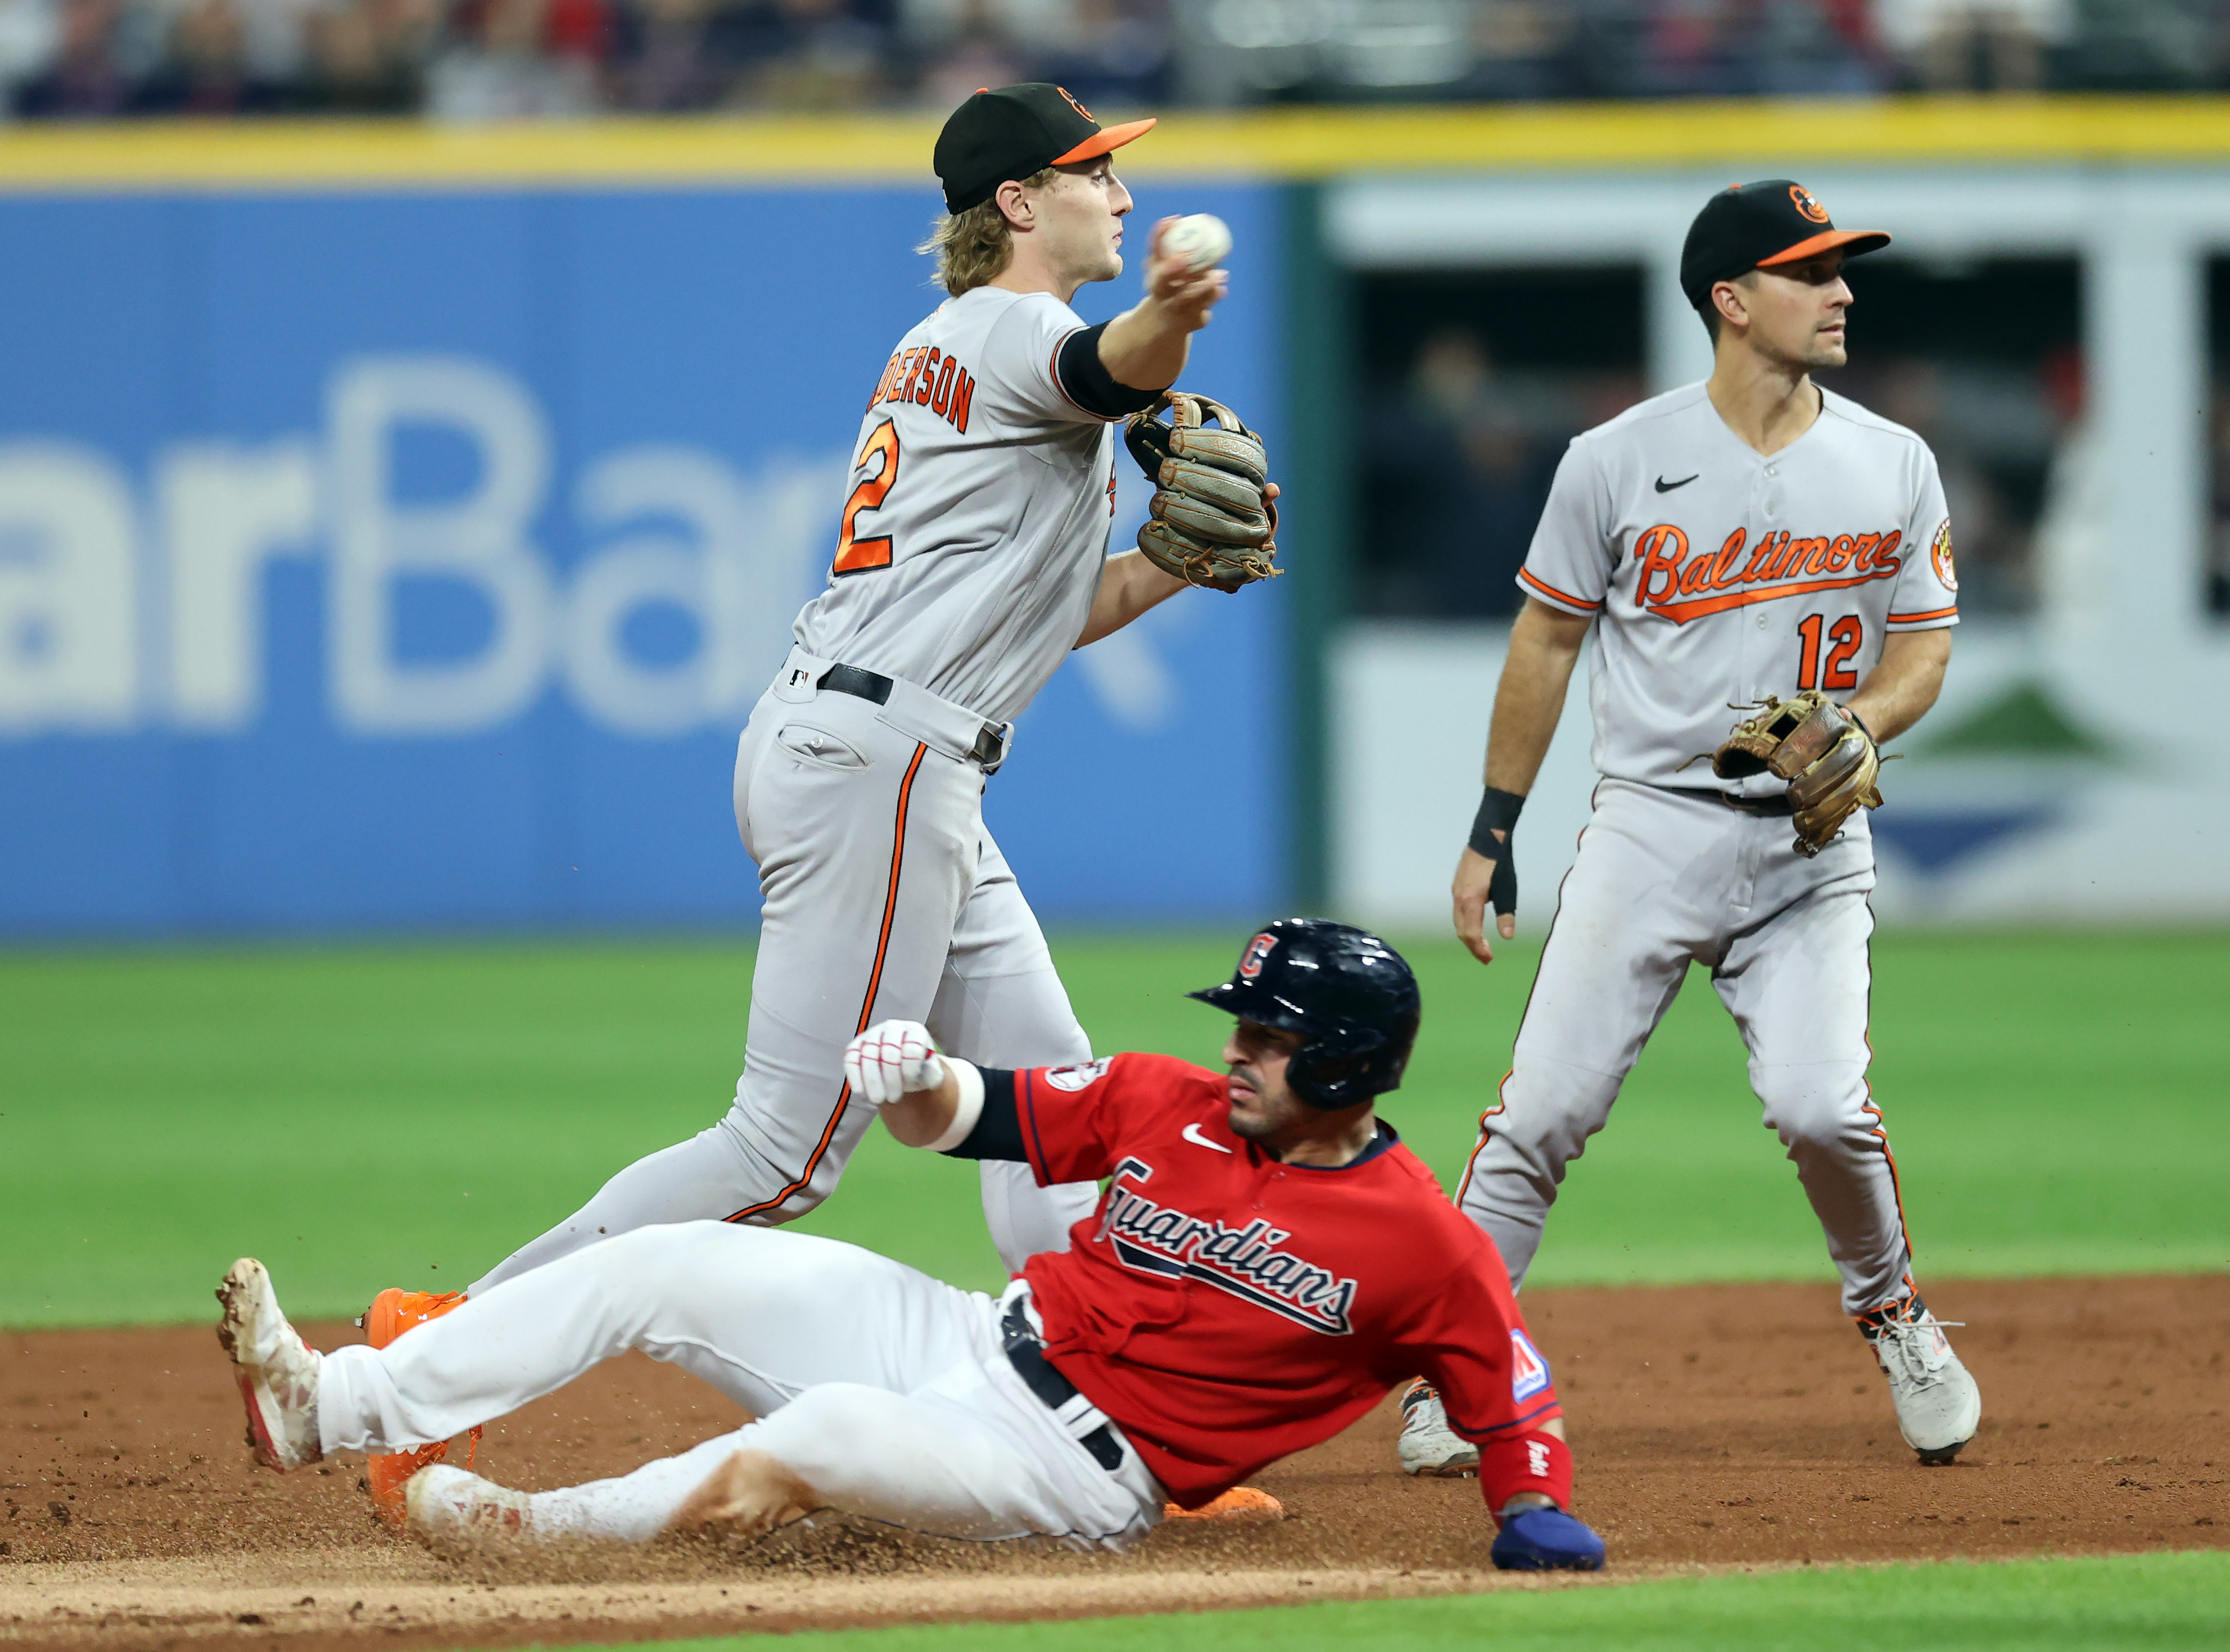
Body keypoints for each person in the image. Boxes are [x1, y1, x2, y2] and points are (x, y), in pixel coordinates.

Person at [355, 83, 1269, 1517]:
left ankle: (1104, 1405)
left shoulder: (950, 346)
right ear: (1019, 205)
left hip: (887, 752)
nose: (1125, 196)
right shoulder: (1026, 332)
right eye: (1099, 175)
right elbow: (1114, 364)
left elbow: (1038, 613)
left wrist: (1166, 567)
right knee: (784, 1154)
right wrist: (1178, 315)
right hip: (885, 765)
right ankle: (445, 1345)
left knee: (1045, 1093)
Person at [218, 922, 1608, 1572]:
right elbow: (975, 1118)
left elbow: (1509, 1394)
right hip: (967, 1336)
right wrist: (917, 1077)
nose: (1235, 1051)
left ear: (1349, 1060)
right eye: (1239, 1027)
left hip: (1070, 1471)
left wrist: (1531, 1511)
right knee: (672, 1259)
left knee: (809, 1439)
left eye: (1267, 1037)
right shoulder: (1159, 1099)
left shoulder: (1420, 1240)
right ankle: (328, 1405)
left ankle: (533, 1539)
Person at [1398, 180, 1978, 1478]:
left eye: (1842, 270)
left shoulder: (1893, 459)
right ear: (1731, 298)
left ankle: (1892, 1312)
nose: (1841, 293)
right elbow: (1546, 639)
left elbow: (1924, 655)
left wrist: (1867, 728)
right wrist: (1493, 828)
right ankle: (1461, 1365)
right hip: (1650, 828)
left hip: (1809, 845)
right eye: (1811, 271)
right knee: (1539, 1113)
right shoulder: (1613, 459)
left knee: (1821, 1108)